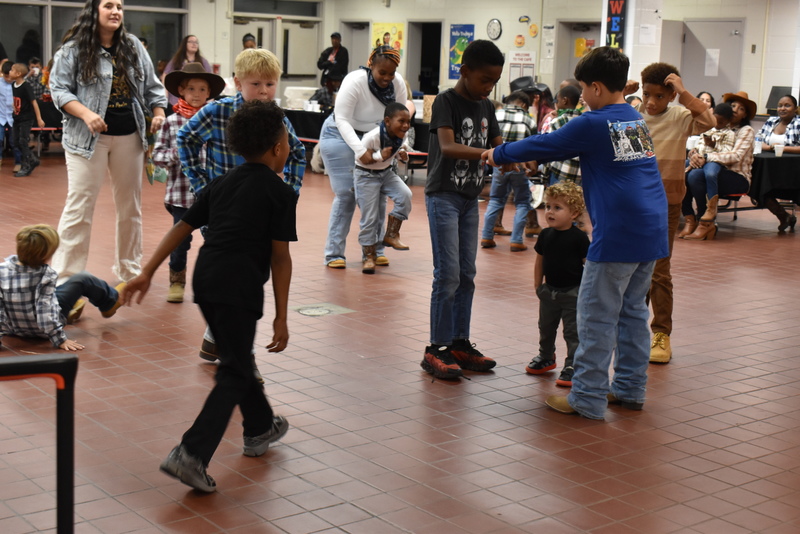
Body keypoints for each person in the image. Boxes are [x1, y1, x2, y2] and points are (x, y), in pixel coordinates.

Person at [484, 46, 669, 419]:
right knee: (633, 312)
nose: (582, 96)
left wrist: (497, 155)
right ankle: (630, 388)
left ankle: (586, 397)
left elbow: (546, 143)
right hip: (652, 228)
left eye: (584, 88)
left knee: (595, 316)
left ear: (596, 87)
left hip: (618, 232)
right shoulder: (632, 118)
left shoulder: (593, 122)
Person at [123, 100, 295, 493]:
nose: (288, 148)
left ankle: (260, 427)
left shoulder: (222, 182)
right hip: (239, 287)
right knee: (234, 371)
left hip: (206, 280)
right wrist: (281, 316)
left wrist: (147, 272)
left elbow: (181, 228)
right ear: (276, 148)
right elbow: (280, 258)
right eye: (286, 141)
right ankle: (191, 453)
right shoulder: (281, 193)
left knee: (237, 357)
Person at [178, 47, 304, 361]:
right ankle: (240, 353)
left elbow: (298, 153)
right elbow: (185, 139)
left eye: (270, 84)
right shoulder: (217, 112)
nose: (264, 91)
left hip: (259, 214)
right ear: (237, 83)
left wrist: (288, 194)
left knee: (249, 274)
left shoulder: (276, 118)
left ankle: (216, 338)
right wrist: (202, 185)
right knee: (232, 277)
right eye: (256, 84)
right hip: (222, 211)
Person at [49, 0, 167, 284]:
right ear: (94, 11)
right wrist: (86, 113)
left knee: (130, 207)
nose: (116, 11)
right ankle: (66, 278)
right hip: (86, 139)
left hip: (130, 137)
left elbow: (153, 87)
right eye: (108, 5)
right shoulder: (73, 49)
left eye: (120, 7)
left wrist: (159, 113)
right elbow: (59, 90)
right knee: (79, 206)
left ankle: (129, 270)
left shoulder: (133, 46)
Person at [421, 39, 504, 381]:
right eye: (484, 79)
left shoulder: (487, 106)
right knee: (448, 274)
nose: (489, 87)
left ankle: (459, 342)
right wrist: (489, 155)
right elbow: (447, 146)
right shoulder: (446, 101)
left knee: (467, 273)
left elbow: (498, 144)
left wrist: (516, 157)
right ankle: (436, 348)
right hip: (444, 196)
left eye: (494, 81)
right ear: (464, 70)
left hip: (470, 198)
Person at [628, 62, 714, 364]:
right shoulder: (634, 116)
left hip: (666, 205)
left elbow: (709, 121)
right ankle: (633, 329)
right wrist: (621, 95)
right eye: (647, 94)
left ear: (671, 96)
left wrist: (684, 91)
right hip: (635, 203)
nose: (651, 102)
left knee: (659, 271)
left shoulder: (679, 117)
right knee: (634, 268)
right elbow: (625, 152)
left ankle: (661, 333)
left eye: (660, 96)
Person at [319, 46, 407, 269]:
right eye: (382, 72)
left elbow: (400, 120)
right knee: (347, 194)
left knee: (377, 193)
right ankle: (334, 253)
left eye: (391, 73)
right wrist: (361, 151)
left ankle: (374, 250)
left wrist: (402, 146)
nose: (387, 78)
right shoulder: (355, 81)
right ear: (371, 66)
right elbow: (342, 119)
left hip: (376, 137)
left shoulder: (398, 84)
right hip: (339, 134)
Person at [153, 63, 225, 303]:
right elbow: (157, 156)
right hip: (181, 194)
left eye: (202, 89)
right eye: (191, 88)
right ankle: (177, 281)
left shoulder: (215, 121)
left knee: (215, 239)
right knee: (180, 241)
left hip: (212, 194)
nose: (196, 94)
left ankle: (215, 281)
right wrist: (178, 152)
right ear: (181, 91)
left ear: (209, 93)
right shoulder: (171, 122)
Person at [0, 224, 125, 352]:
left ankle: (70, 308)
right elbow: (44, 311)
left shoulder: (2, 270)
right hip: (43, 331)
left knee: (43, 295)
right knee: (83, 279)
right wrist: (59, 339)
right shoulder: (46, 275)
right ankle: (110, 301)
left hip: (13, 329)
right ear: (45, 256)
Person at [526, 182, 590, 387]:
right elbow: (540, 260)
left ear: (574, 213)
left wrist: (587, 291)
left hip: (573, 293)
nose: (550, 212)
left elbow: (588, 266)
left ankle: (573, 364)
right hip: (549, 292)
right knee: (546, 327)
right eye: (548, 206)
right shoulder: (545, 234)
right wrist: (538, 285)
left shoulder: (579, 238)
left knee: (572, 331)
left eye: (557, 207)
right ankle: (546, 356)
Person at [683, 91, 756, 241]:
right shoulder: (715, 125)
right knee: (688, 173)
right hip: (714, 170)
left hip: (736, 177)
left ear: (745, 115)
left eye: (741, 108)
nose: (735, 110)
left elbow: (735, 156)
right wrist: (694, 154)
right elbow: (701, 143)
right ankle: (693, 219)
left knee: (697, 175)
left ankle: (705, 222)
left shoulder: (746, 131)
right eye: (733, 106)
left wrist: (705, 157)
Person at [354, 102, 413, 273]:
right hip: (366, 175)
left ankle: (391, 234)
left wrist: (403, 156)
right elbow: (360, 158)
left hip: (386, 173)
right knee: (370, 218)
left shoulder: (402, 134)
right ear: (387, 121)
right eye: (401, 121)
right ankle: (368, 256)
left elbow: (399, 151)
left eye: (408, 121)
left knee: (405, 195)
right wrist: (380, 155)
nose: (406, 125)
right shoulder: (372, 137)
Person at [480, 90, 536, 251]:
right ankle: (516, 240)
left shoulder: (496, 116)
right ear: (524, 104)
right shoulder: (529, 120)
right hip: (520, 165)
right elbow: (534, 144)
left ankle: (487, 236)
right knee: (522, 202)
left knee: (496, 199)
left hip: (499, 165)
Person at [756, 94, 800, 232]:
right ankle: (783, 216)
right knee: (757, 185)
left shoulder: (798, 123)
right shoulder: (771, 121)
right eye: (780, 105)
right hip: (770, 167)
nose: (782, 108)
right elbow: (758, 141)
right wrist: (770, 147)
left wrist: (782, 148)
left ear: (795, 108)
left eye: (787, 105)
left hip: (793, 168)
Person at [8, 63, 45, 177]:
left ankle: (28, 163)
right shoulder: (13, 85)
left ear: (18, 74)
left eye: (12, 70)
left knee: (23, 141)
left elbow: (34, 102)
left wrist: (39, 118)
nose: (9, 72)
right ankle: (31, 160)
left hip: (26, 119)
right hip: (16, 118)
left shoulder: (26, 86)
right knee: (15, 142)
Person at [161, 35, 212, 108]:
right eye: (191, 42)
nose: (194, 44)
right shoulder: (177, 60)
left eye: (196, 42)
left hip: (198, 103)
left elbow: (209, 79)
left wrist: (210, 101)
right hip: (177, 101)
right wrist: (165, 94)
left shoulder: (203, 61)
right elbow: (165, 75)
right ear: (185, 44)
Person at [1, 61, 19, 172]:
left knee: (14, 141)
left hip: (14, 118)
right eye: (5, 76)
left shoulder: (18, 84)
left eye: (10, 76)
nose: (8, 79)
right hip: (1, 116)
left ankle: (18, 162)